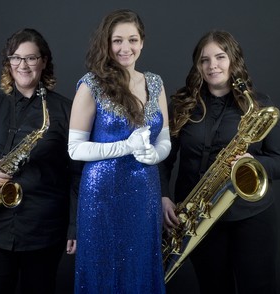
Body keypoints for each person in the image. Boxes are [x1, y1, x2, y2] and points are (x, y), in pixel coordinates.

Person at [159, 30, 280, 294]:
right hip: (199, 216)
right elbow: (163, 160)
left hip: (251, 216)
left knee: (259, 287)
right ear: (197, 65)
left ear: (234, 60)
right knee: (213, 288)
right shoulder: (182, 105)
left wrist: (253, 161)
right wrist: (162, 196)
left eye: (220, 57)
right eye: (204, 60)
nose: (212, 65)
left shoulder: (259, 105)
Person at [0, 28, 81, 294]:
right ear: (8, 63)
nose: (23, 65)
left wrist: (74, 226)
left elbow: (77, 173)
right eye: (16, 58)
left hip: (44, 229)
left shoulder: (65, 110)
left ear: (44, 62)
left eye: (31, 58)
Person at [68, 9, 171, 293]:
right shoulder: (91, 84)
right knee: (104, 269)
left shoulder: (155, 83)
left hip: (144, 193)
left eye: (132, 40)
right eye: (117, 41)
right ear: (106, 44)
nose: (126, 48)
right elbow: (75, 149)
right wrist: (125, 147)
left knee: (140, 266)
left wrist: (156, 154)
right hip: (102, 194)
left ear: (142, 42)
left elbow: (164, 140)